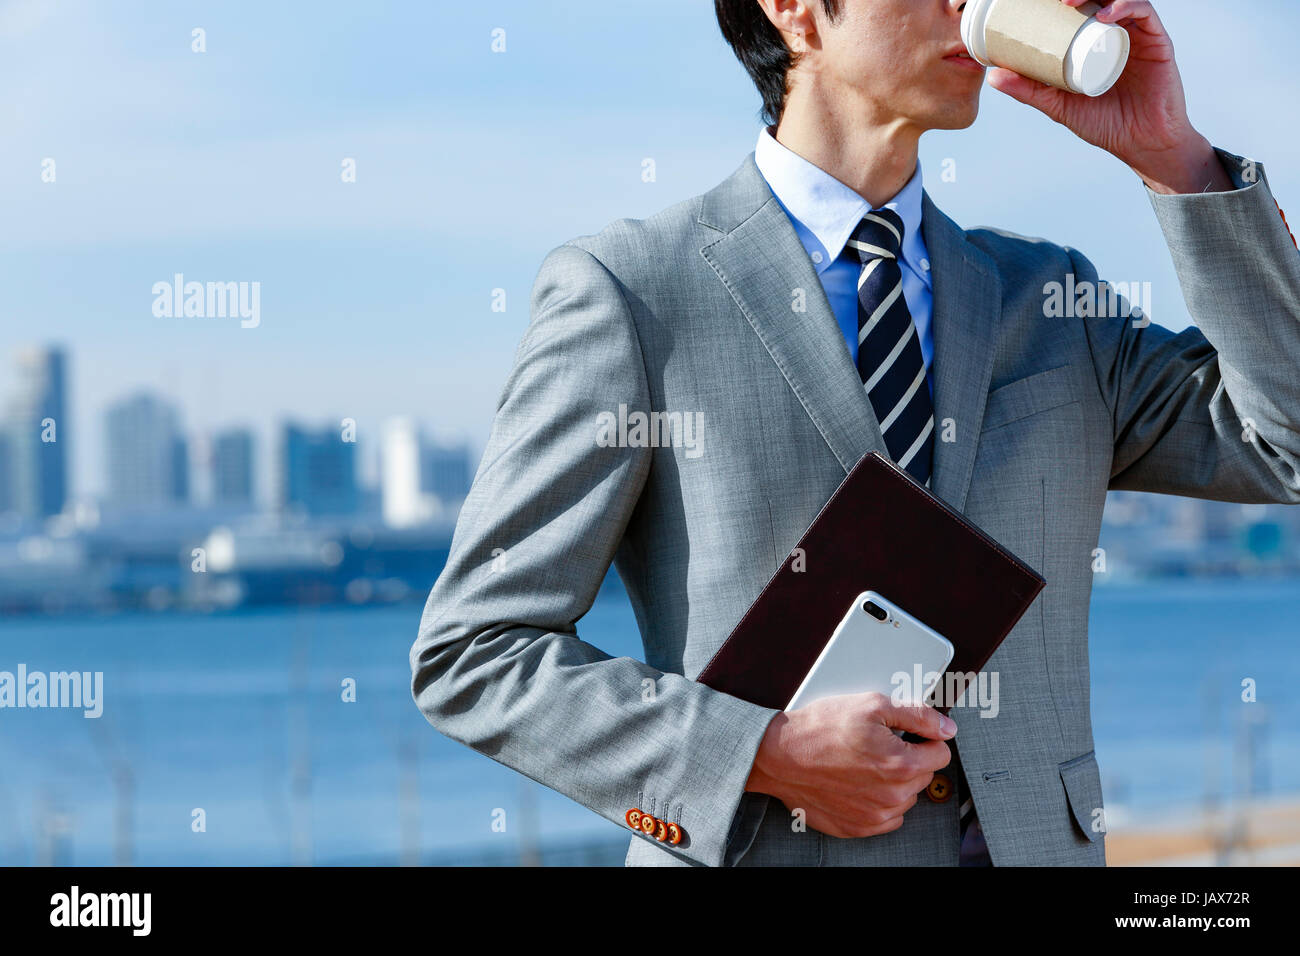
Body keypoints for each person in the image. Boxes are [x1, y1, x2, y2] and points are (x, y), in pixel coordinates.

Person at [409, 0, 1300, 866]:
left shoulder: (1051, 299)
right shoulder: (634, 292)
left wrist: (1175, 159)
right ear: (793, 9)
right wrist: (763, 751)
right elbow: (476, 652)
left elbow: (1284, 446)